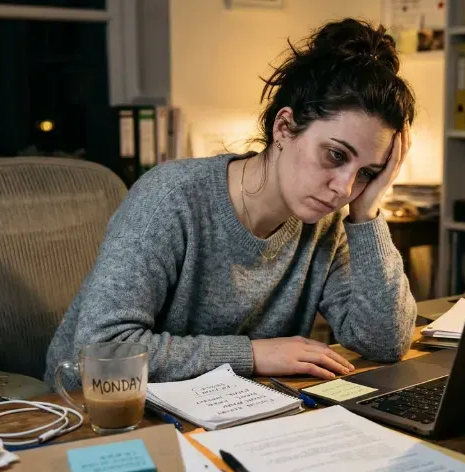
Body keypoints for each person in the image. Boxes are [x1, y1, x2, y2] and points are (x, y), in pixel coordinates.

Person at [45, 18, 418, 386]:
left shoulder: (329, 221)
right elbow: (99, 352)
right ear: (284, 128)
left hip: (226, 416)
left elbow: (383, 343)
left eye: (366, 172)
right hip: (90, 414)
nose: (343, 188)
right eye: (336, 156)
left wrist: (367, 214)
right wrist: (253, 355)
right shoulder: (171, 199)